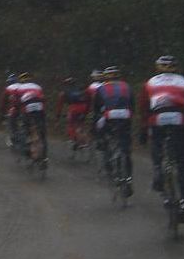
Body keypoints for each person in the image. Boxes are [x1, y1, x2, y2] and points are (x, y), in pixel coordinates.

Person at [137, 55, 184, 223]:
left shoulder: (150, 82)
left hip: (157, 117)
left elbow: (144, 108)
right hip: (179, 117)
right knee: (182, 162)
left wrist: (143, 129)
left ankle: (158, 172)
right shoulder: (183, 81)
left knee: (157, 148)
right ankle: (183, 202)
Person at [94, 66, 134, 196]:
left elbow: (97, 109)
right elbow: (132, 104)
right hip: (125, 116)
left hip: (109, 117)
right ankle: (128, 178)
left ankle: (106, 154)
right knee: (125, 148)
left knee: (103, 136)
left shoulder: (101, 88)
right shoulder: (127, 87)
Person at [17, 72, 48, 160]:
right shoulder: (38, 87)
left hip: (27, 109)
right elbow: (43, 99)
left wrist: (18, 111)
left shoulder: (19, 88)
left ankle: (26, 148)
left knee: (25, 128)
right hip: (40, 108)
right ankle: (44, 155)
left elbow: (17, 102)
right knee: (42, 131)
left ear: (22, 81)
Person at [55, 76, 89, 151]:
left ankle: (75, 140)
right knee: (81, 124)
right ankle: (85, 142)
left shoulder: (63, 93)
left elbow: (59, 106)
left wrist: (58, 117)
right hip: (84, 106)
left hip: (74, 108)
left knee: (71, 124)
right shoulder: (80, 89)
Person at [0, 73, 21, 147]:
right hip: (25, 108)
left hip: (14, 109)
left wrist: (2, 112)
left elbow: (3, 101)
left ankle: (13, 138)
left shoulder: (8, 89)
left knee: (12, 124)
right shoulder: (22, 86)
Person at [86, 69, 105, 150]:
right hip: (108, 107)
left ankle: (98, 140)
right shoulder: (105, 85)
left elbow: (88, 100)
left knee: (95, 123)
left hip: (97, 108)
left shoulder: (91, 87)